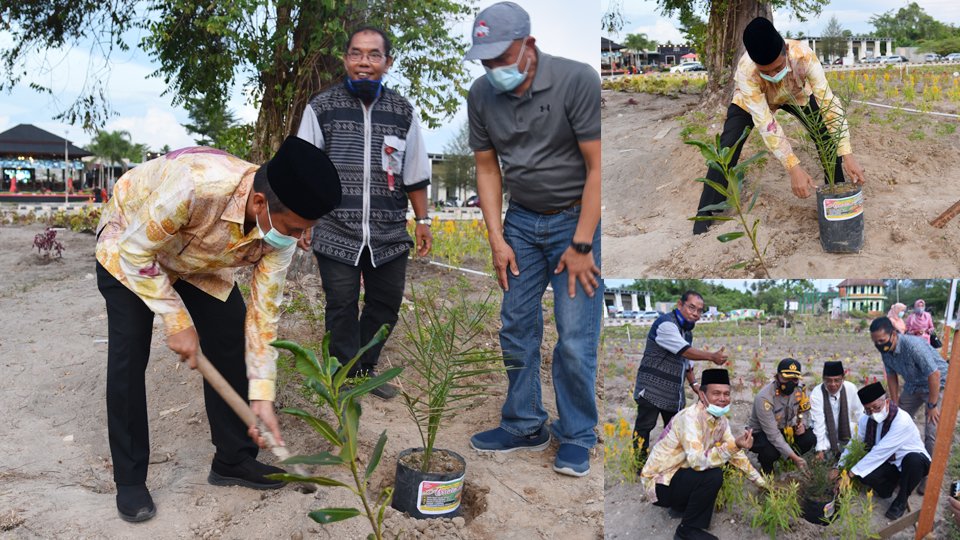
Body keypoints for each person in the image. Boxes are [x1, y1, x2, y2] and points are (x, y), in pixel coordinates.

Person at [95, 138, 341, 522]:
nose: (297, 239)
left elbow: (263, 317)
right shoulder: (195, 184)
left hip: (196, 257)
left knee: (230, 335)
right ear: (259, 203)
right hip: (132, 242)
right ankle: (130, 480)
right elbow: (135, 251)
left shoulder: (282, 233)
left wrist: (262, 396)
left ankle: (233, 459)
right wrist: (177, 321)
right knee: (129, 352)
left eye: (304, 230)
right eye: (294, 229)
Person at [462, 1, 602, 478]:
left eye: (502, 57)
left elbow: (597, 167)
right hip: (521, 221)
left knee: (575, 336)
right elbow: (487, 169)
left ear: (529, 45)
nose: (493, 68)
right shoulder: (481, 95)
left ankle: (578, 434)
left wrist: (581, 245)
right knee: (516, 325)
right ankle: (524, 424)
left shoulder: (576, 80)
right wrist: (497, 238)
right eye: (485, 60)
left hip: (574, 220)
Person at [296, 26, 432, 399]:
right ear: (345, 59)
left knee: (385, 305)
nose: (364, 62)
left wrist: (423, 221)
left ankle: (362, 371)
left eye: (374, 55)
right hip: (335, 228)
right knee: (341, 304)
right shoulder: (321, 108)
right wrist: (304, 220)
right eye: (356, 53)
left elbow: (415, 173)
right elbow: (304, 169)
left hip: (389, 232)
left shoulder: (402, 112)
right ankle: (342, 376)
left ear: (388, 62)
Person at [693, 16, 867, 234]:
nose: (773, 75)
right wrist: (793, 167)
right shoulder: (747, 70)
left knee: (823, 133)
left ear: (785, 50)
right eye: (765, 72)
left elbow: (828, 103)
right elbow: (767, 124)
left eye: (777, 68)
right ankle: (706, 213)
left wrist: (847, 153)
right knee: (728, 144)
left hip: (795, 94)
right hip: (754, 100)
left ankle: (835, 189)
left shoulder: (803, 56)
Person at [641, 369, 766, 540]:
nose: (722, 398)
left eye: (726, 394)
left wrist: (762, 483)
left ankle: (680, 507)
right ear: (702, 394)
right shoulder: (690, 418)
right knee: (713, 474)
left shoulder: (721, 421)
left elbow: (737, 456)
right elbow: (697, 461)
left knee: (726, 460)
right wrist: (734, 446)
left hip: (679, 476)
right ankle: (687, 530)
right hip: (660, 484)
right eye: (716, 393)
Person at [632, 291, 728, 456]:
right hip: (651, 390)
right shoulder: (666, 324)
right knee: (645, 427)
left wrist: (695, 385)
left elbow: (686, 362)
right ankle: (639, 463)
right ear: (679, 304)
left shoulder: (687, 332)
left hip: (672, 394)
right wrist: (711, 356)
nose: (695, 314)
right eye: (691, 308)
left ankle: (668, 461)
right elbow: (684, 351)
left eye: (699, 311)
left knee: (674, 429)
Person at [839, 382, 930, 520]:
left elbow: (880, 452)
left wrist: (850, 474)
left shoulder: (901, 420)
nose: (873, 413)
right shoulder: (866, 419)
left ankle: (901, 500)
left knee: (913, 461)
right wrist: (840, 466)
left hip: (910, 461)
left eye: (876, 408)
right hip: (889, 462)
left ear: (886, 401)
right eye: (868, 410)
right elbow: (855, 441)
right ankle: (889, 488)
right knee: (865, 474)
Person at [870, 317, 946, 460]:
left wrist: (932, 405)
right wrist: (895, 403)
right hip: (913, 385)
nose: (879, 345)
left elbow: (934, 374)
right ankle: (901, 457)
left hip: (937, 384)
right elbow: (891, 376)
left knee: (932, 430)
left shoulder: (913, 346)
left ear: (893, 334)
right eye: (876, 342)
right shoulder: (885, 351)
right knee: (895, 420)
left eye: (882, 340)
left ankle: (930, 467)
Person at [747, 358, 815, 474]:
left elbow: (804, 411)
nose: (790, 383)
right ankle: (767, 470)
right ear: (777, 376)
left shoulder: (799, 390)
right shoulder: (765, 398)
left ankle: (789, 461)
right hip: (762, 433)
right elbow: (773, 434)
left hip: (784, 428)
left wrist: (802, 424)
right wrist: (795, 457)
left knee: (809, 438)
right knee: (770, 451)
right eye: (786, 378)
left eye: (794, 379)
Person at [809, 360, 863, 458]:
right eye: (828, 380)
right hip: (826, 433)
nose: (833, 384)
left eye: (837, 380)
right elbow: (818, 422)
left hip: (846, 431)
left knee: (855, 430)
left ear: (843, 379)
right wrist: (820, 449)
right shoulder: (817, 393)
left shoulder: (850, 388)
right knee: (818, 444)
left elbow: (860, 413)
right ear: (823, 379)